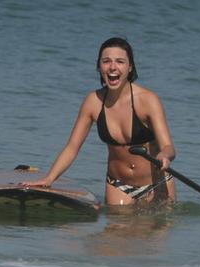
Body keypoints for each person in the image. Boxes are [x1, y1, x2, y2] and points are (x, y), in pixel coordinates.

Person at [22, 37, 176, 206]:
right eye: (106, 61)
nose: (112, 67)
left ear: (130, 67)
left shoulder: (148, 100)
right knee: (114, 231)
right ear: (99, 67)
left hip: (156, 185)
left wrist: (164, 155)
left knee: (157, 231)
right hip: (118, 185)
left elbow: (168, 147)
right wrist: (49, 179)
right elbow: (72, 147)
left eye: (120, 61)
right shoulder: (93, 102)